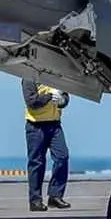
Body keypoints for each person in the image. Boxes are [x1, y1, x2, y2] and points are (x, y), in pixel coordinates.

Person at [21, 78, 70, 211]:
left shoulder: (57, 75)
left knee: (62, 157)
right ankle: (35, 200)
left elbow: (66, 96)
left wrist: (62, 101)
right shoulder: (29, 78)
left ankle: (55, 195)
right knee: (37, 163)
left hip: (54, 124)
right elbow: (31, 102)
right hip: (36, 125)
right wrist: (49, 96)